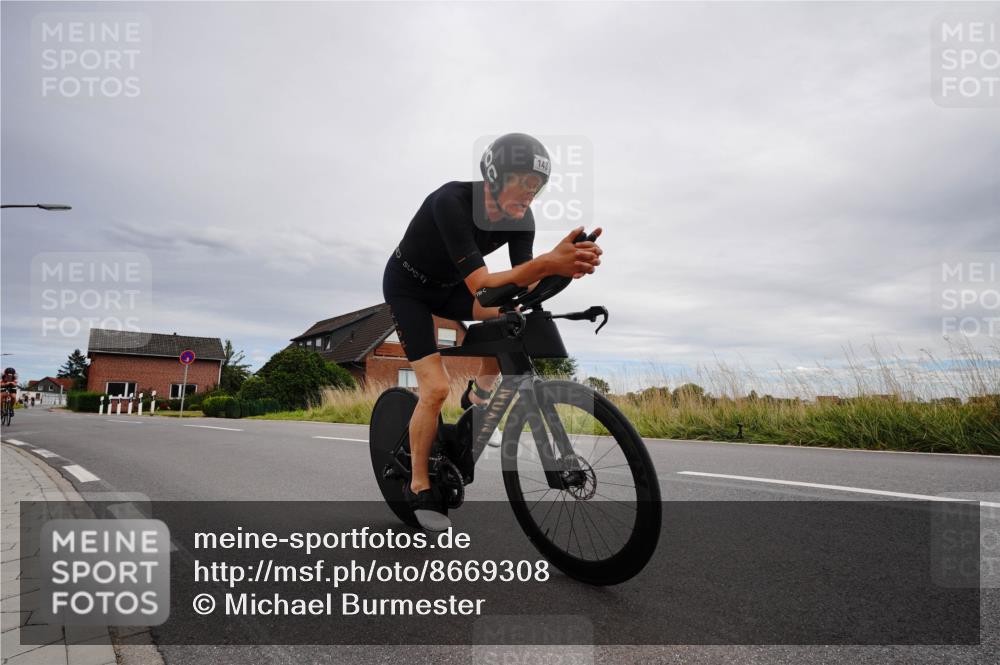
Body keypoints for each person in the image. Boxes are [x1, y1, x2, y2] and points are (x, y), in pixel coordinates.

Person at [383, 133, 603, 531]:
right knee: (434, 389)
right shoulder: (451, 201)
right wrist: (547, 263)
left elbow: (521, 284)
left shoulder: (522, 220)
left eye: (537, 187)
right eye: (524, 182)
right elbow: (483, 284)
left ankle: (479, 398)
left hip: (451, 288)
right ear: (494, 175)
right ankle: (418, 485)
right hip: (408, 288)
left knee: (510, 317)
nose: (530, 194)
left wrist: (563, 266)